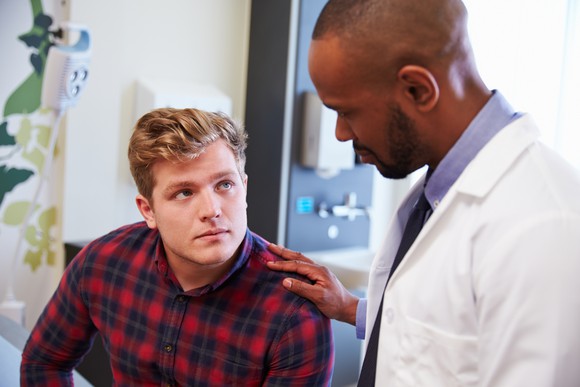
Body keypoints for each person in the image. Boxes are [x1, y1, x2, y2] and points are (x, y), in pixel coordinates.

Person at [267, 0, 580, 386]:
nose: (340, 134)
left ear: (417, 89)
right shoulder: (437, 190)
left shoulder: (545, 226)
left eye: (346, 111)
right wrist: (352, 308)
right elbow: (449, 337)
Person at [21, 108, 334, 386]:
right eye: (184, 192)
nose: (211, 209)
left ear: (244, 187)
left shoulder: (294, 313)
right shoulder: (103, 264)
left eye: (225, 184)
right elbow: (44, 362)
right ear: (148, 210)